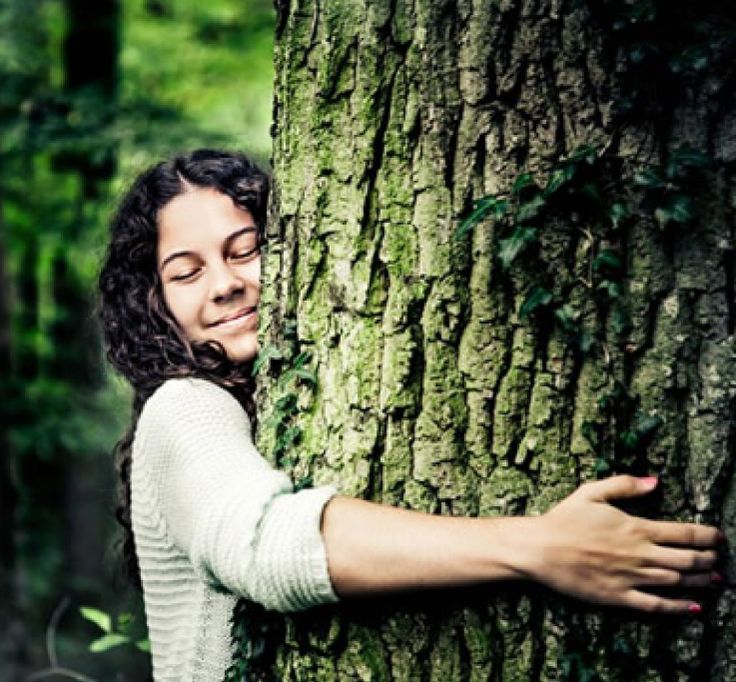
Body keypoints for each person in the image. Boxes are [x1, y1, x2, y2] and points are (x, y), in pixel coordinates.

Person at [98, 149, 724, 682]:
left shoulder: (271, 402)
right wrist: (540, 547)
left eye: (247, 250)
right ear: (153, 303)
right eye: (187, 273)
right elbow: (265, 545)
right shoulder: (182, 407)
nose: (226, 283)